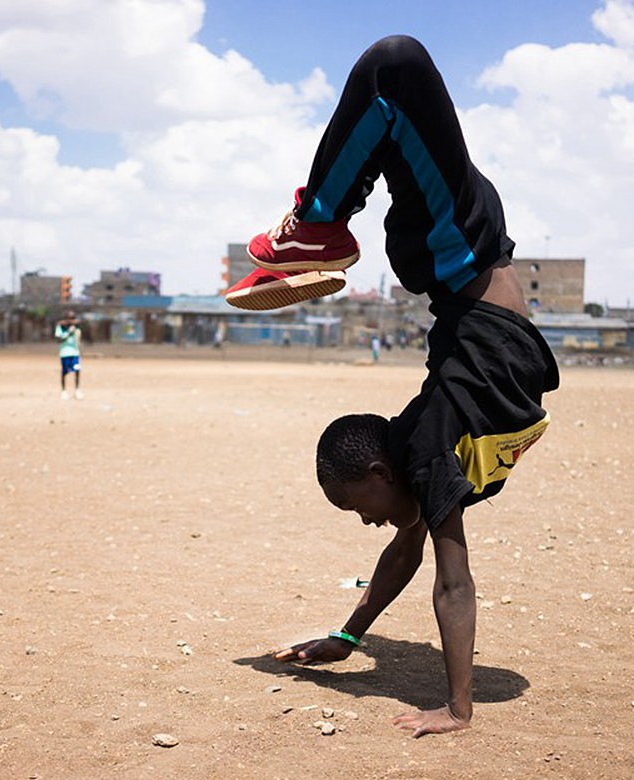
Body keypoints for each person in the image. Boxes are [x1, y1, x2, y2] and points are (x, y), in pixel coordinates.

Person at [234, 36, 560, 737]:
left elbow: (437, 570)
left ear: (381, 469)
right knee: (393, 78)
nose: (368, 522)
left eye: (358, 507)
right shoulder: (424, 450)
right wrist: (364, 649)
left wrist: (444, 700)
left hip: (466, 270)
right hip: (467, 272)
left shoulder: (423, 447)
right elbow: (428, 563)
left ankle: (318, 226)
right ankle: (321, 221)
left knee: (394, 84)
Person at [55, 311, 83, 399]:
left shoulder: (76, 327)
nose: (72, 320)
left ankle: (77, 390)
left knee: (77, 370)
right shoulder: (61, 327)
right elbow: (58, 339)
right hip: (65, 353)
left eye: (73, 318)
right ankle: (64, 391)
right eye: (70, 318)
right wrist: (68, 333)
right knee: (64, 372)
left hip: (75, 353)